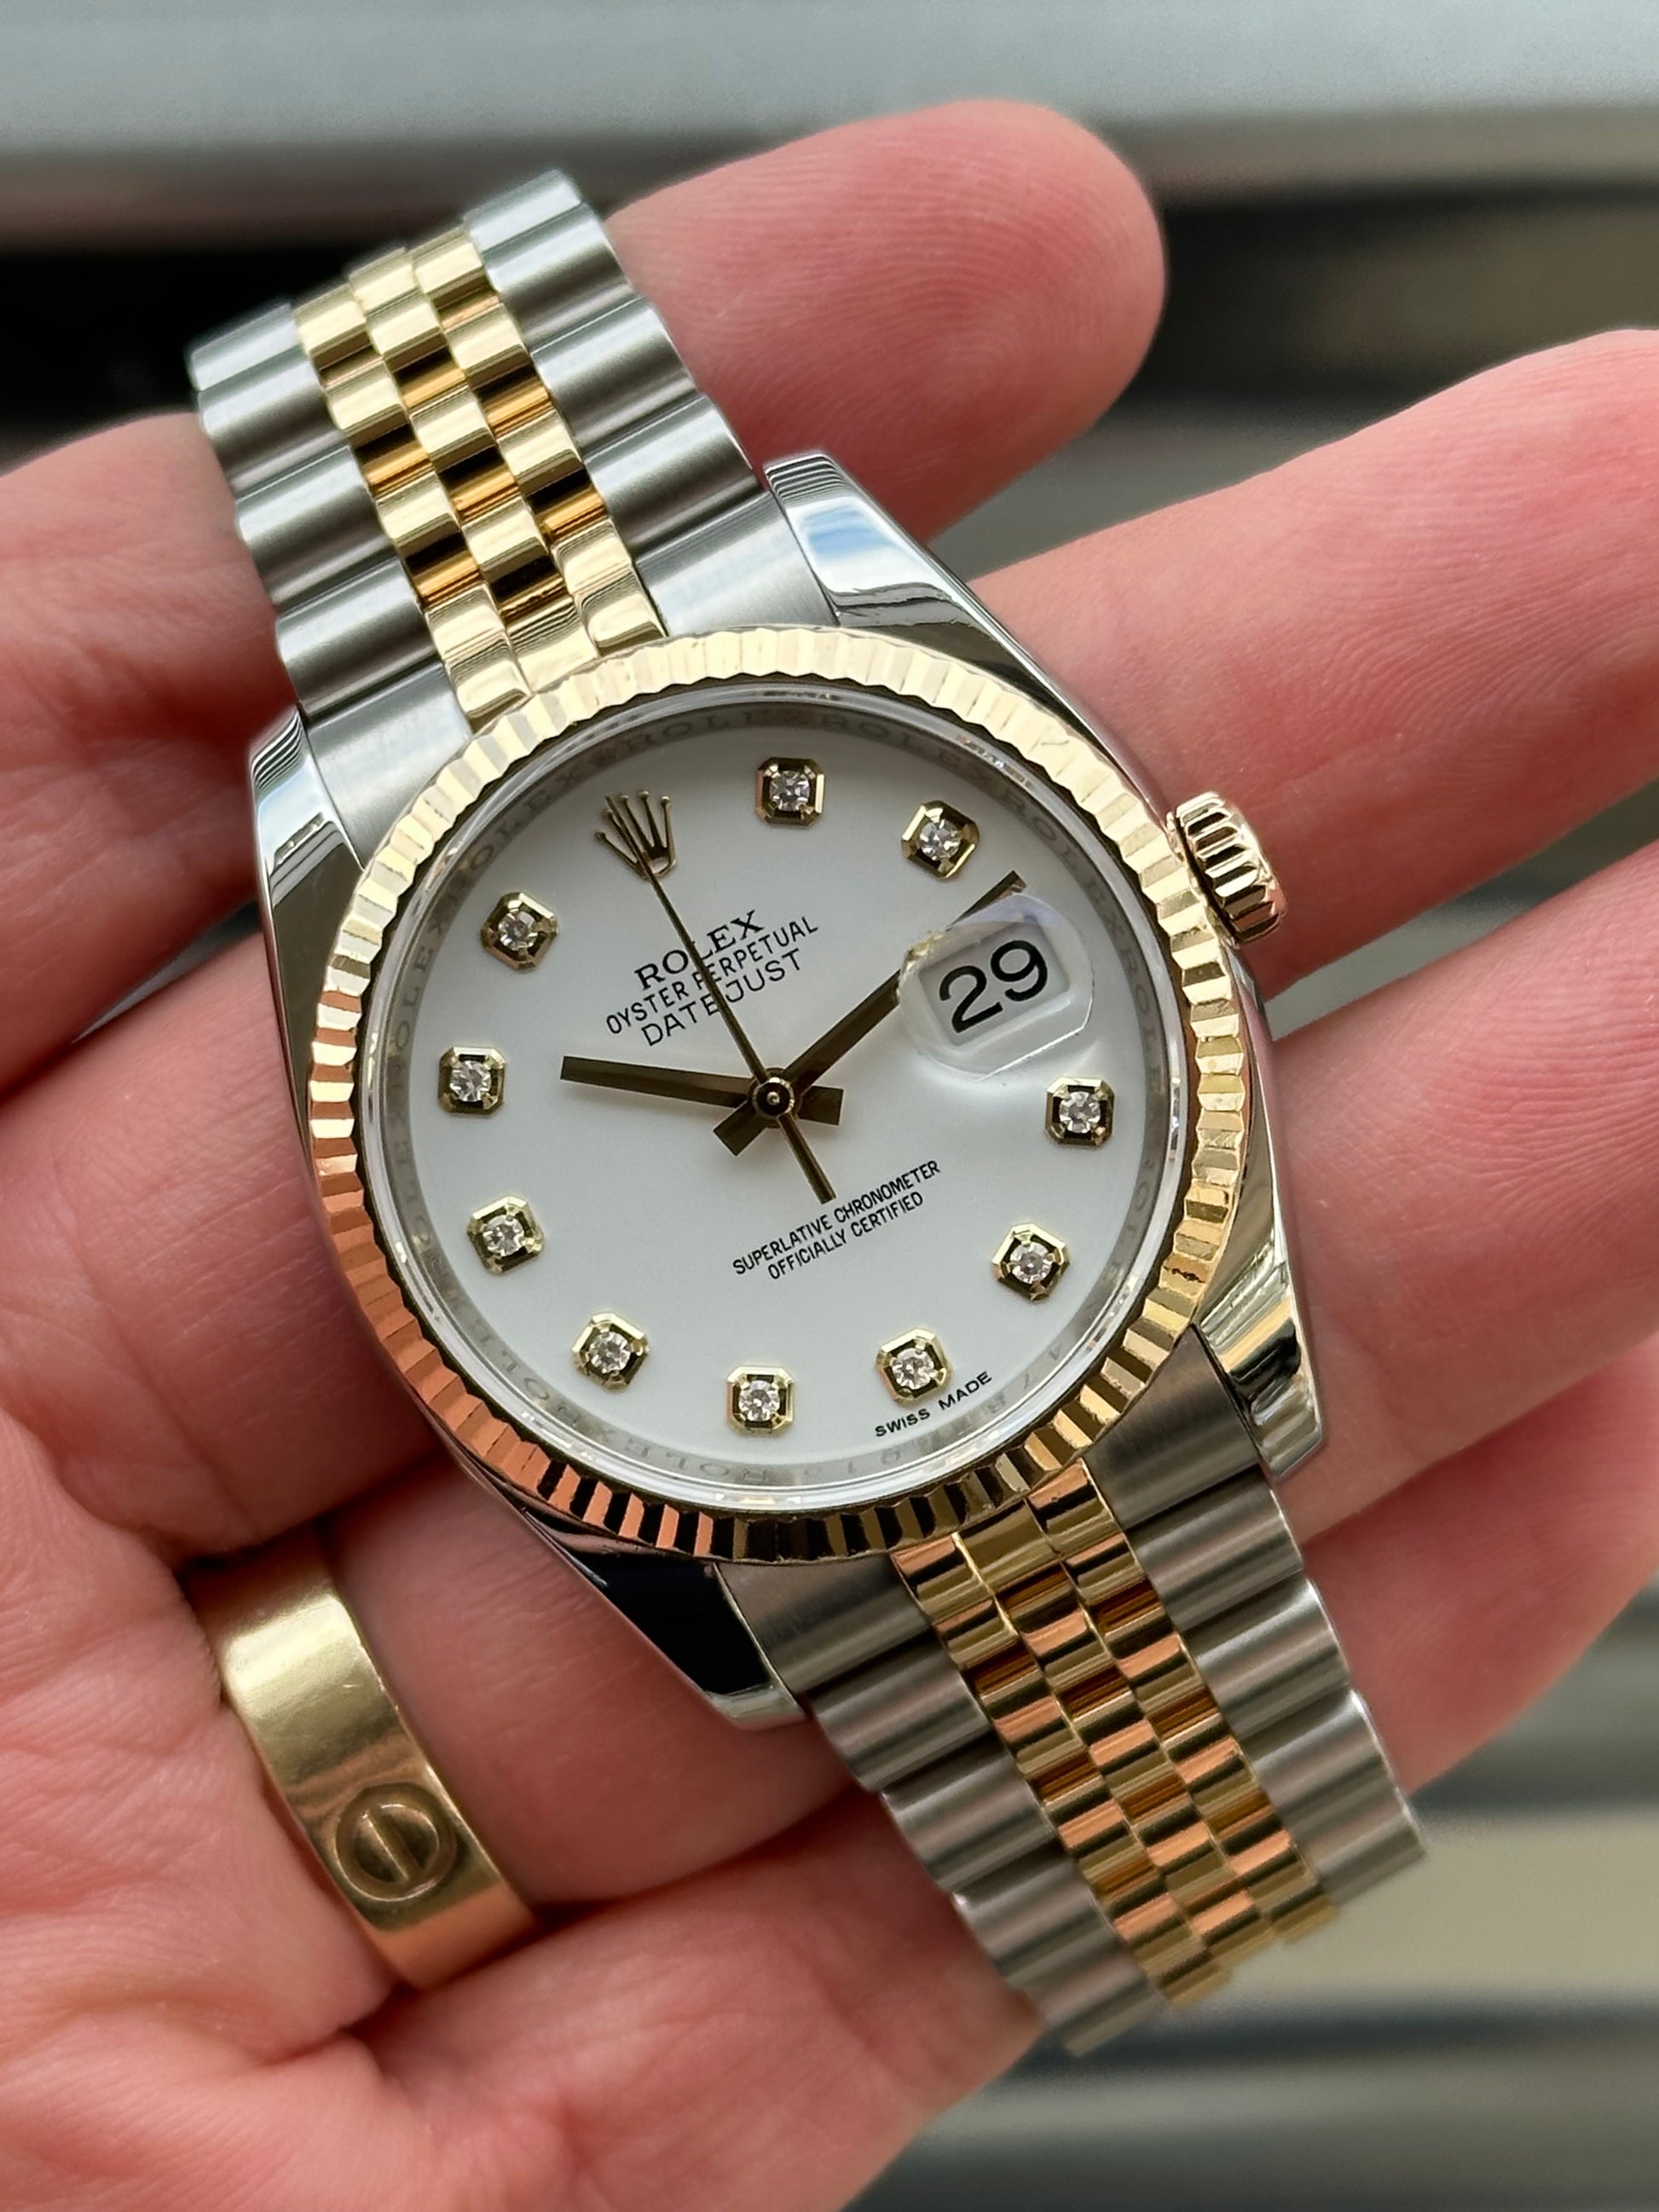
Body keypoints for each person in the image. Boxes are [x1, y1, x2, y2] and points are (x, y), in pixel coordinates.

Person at [0, 100, 1654, 2212]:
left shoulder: (785, 610)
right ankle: (1187, 1891)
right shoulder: (363, 841)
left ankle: (1201, 1882)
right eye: (738, 1108)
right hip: (818, 1462)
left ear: (1187, 881)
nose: (779, 1106)